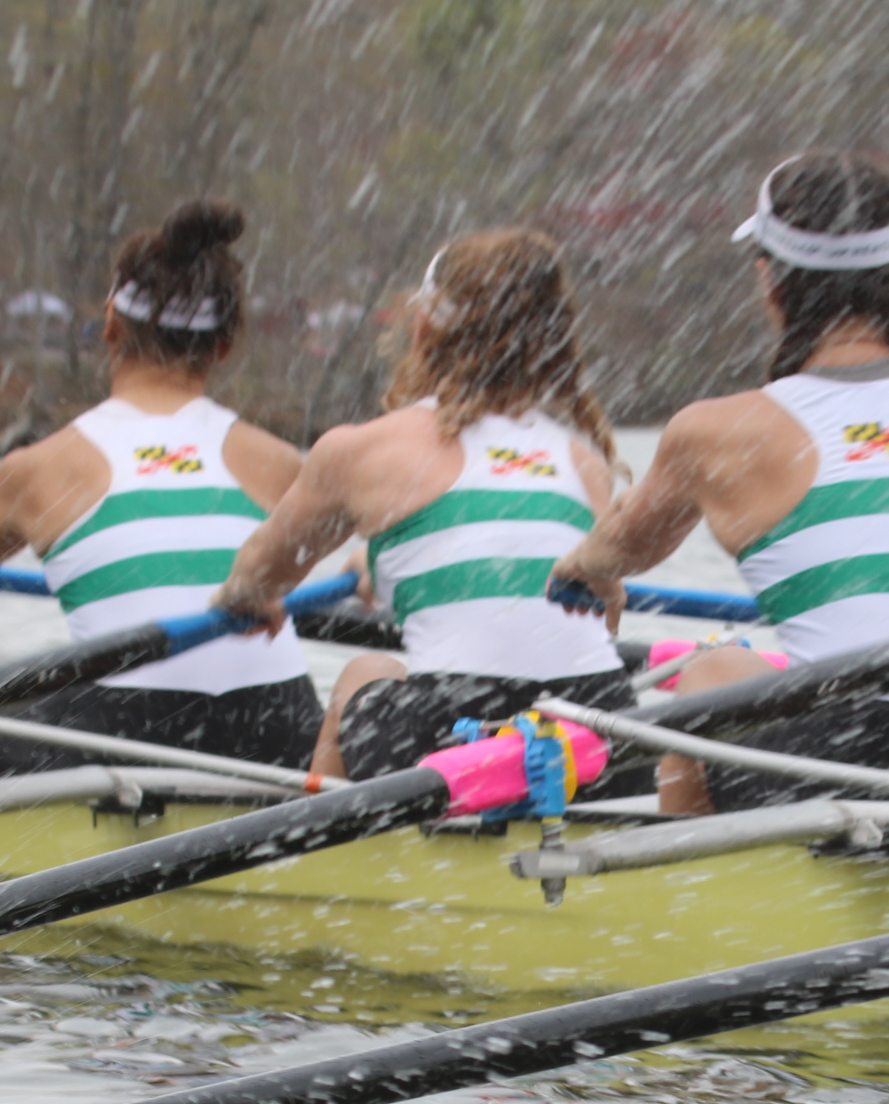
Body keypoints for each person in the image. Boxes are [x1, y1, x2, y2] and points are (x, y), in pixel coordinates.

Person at [548, 152, 889, 815]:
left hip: (849, 770)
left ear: (769, 279)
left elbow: (628, 544)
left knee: (715, 669)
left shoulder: (718, 432)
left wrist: (583, 567)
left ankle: (687, 869)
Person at [0, 199, 322, 770]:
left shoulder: (40, 467)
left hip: (131, 722)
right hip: (278, 723)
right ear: (223, 347)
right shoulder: (279, 461)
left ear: (110, 325)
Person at [211, 227, 634, 781]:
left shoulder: (363, 450)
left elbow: (259, 574)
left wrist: (243, 597)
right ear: (547, 343)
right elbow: (598, 611)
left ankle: (321, 830)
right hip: (597, 729)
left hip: (449, 734)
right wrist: (389, 564)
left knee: (365, 671)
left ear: (425, 327)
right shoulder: (584, 463)